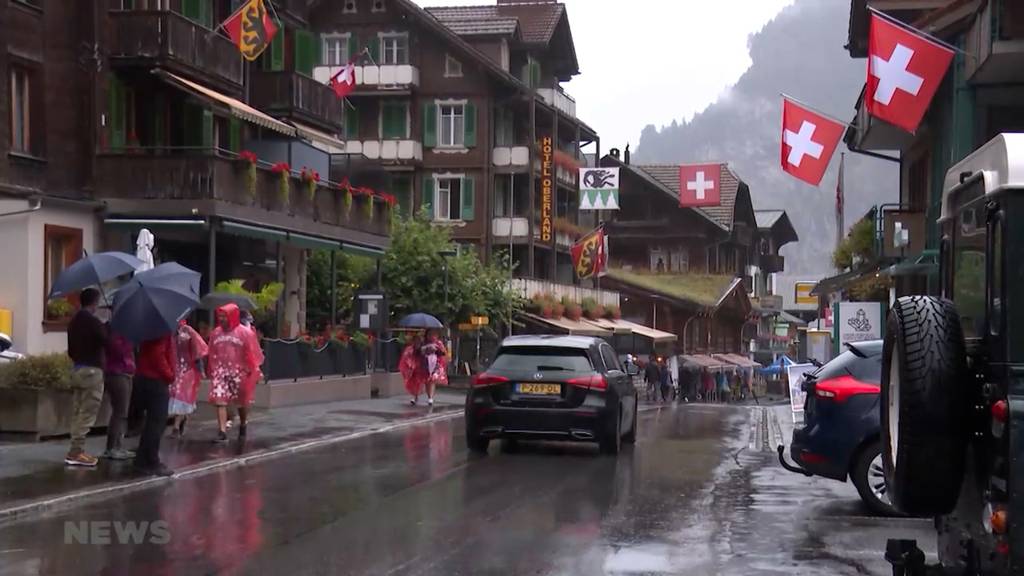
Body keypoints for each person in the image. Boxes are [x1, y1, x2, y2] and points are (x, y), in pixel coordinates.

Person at [65, 288, 108, 467]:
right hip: (92, 371)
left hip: (78, 369)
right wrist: (106, 325)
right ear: (95, 302)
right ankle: (76, 451)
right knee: (88, 412)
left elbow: (71, 349)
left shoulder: (73, 321)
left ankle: (74, 449)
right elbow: (106, 341)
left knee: (77, 411)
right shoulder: (92, 321)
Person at [207, 304, 262, 442]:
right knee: (220, 401)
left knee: (241, 403)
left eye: (224, 316)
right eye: (220, 316)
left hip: (240, 373)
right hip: (221, 372)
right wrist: (212, 369)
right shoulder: (216, 333)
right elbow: (212, 352)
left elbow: (254, 353)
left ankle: (243, 423)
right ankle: (222, 432)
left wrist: (252, 370)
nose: (221, 319)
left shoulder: (245, 333)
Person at [134, 331, 176, 476]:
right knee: (156, 423)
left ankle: (142, 459)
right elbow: (158, 355)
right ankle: (151, 461)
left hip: (144, 378)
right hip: (156, 380)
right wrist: (170, 374)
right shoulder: (161, 330)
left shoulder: (148, 329)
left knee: (151, 423)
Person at [168, 320, 208, 438]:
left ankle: (177, 426)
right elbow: (197, 353)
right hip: (182, 370)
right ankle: (180, 422)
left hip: (184, 370)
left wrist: (200, 370)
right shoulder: (179, 333)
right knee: (181, 397)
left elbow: (197, 353)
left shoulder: (182, 333)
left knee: (181, 397)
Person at [102, 328, 135, 460]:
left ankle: (118, 445)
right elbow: (118, 351)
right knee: (119, 411)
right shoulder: (115, 332)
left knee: (122, 412)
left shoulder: (124, 331)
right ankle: (112, 447)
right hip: (117, 373)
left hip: (125, 373)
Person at [421, 331, 448, 406]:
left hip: (435, 363)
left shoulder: (438, 343)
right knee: (427, 380)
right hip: (426, 363)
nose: (432, 336)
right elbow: (420, 352)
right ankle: (429, 395)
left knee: (433, 380)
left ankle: (431, 398)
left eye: (433, 334)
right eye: (429, 335)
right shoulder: (424, 343)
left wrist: (436, 349)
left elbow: (443, 353)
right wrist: (426, 349)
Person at [400, 334, 428, 405]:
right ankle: (414, 396)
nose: (416, 342)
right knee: (412, 382)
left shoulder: (423, 348)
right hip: (411, 367)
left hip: (419, 368)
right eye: (415, 341)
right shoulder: (409, 349)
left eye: (418, 341)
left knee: (417, 382)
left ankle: (415, 396)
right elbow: (406, 357)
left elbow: (425, 358)